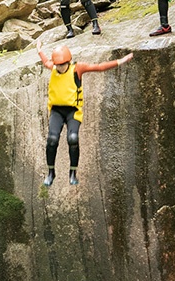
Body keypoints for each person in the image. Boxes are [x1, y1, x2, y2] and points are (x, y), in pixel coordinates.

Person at [38, 45, 133, 186]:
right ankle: (51, 173)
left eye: (62, 65)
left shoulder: (77, 69)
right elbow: (46, 61)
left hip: (73, 111)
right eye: (58, 65)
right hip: (56, 111)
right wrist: (39, 50)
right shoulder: (53, 68)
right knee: (52, 140)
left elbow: (99, 67)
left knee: (73, 138)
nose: (60, 68)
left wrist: (120, 61)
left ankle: (73, 173)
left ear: (68, 62)